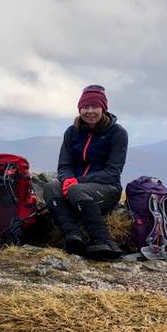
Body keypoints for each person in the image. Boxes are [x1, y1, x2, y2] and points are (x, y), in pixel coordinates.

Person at [42, 84, 128, 259]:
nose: (89, 111)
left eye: (94, 106)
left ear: (103, 108)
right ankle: (73, 235)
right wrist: (68, 179)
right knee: (50, 187)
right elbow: (64, 165)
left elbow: (113, 172)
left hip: (107, 189)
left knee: (75, 190)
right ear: (79, 109)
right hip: (75, 188)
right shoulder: (72, 132)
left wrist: (77, 182)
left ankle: (103, 240)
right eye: (85, 107)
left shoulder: (117, 133)